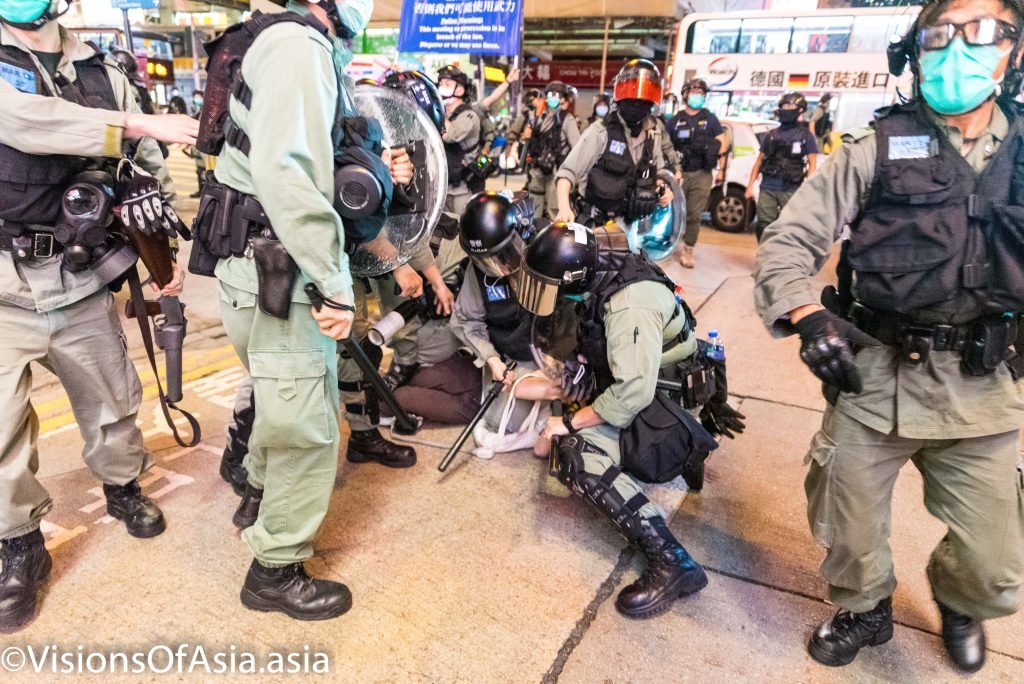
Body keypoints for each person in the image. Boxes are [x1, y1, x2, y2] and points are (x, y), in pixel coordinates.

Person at [754, 0, 1024, 672]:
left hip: (982, 391)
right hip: (874, 377)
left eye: (984, 32)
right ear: (916, 51)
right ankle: (866, 608)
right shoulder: (875, 148)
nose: (959, 49)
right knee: (845, 530)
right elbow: (790, 239)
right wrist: (808, 318)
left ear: (1014, 52)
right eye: (940, 34)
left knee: (997, 564)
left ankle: (958, 597)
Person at [200, 0, 411, 620]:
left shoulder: (285, 40)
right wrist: (334, 282)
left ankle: (259, 498)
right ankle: (276, 569)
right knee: (305, 428)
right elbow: (291, 176)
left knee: (277, 398)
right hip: (283, 268)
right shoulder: (300, 48)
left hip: (257, 263)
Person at [0, 0, 197, 633]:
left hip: (82, 275)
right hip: (3, 282)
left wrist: (159, 241)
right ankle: (17, 544)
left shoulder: (101, 71)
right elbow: (30, 124)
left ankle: (122, 486)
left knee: (112, 402)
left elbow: (147, 171)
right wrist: (142, 124)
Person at [521, 221, 743, 618]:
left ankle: (673, 561)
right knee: (569, 443)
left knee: (573, 455)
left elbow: (633, 392)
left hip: (659, 401)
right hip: (657, 388)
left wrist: (569, 424)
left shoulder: (629, 305)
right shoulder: (607, 265)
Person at [450, 191, 560, 451]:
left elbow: (576, 313)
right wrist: (492, 359)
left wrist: (557, 360)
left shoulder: (550, 249)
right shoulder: (477, 269)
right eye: (485, 260)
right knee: (501, 421)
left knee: (523, 413)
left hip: (553, 351)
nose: (498, 268)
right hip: (509, 354)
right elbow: (466, 319)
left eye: (503, 255)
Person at [553, 59, 677, 229]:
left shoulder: (652, 133)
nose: (636, 105)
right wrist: (564, 207)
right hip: (596, 226)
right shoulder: (601, 131)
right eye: (632, 100)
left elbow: (658, 171)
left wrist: (663, 189)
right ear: (620, 98)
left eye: (642, 102)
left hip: (632, 227)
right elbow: (567, 174)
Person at [665, 78, 727, 269]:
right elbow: (665, 146)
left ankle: (688, 249)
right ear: (685, 94)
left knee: (694, 213)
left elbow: (722, 143)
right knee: (673, 212)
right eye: (694, 92)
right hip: (680, 172)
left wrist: (721, 169)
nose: (697, 96)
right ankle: (669, 244)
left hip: (702, 173)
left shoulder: (710, 119)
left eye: (701, 93)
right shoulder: (675, 121)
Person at [746, 92, 818, 240]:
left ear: (800, 110)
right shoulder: (771, 135)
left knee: (789, 226)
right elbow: (759, 161)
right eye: (784, 105)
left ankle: (781, 256)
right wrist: (749, 186)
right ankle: (764, 254)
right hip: (768, 187)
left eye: (791, 106)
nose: (787, 109)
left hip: (791, 188)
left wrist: (808, 188)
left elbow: (812, 163)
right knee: (764, 224)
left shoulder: (805, 136)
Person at [522, 81, 580, 221]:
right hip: (537, 169)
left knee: (554, 209)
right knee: (534, 210)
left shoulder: (567, 118)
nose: (553, 98)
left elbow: (577, 147)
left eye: (557, 95)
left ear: (563, 99)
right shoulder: (539, 115)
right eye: (550, 94)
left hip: (556, 171)